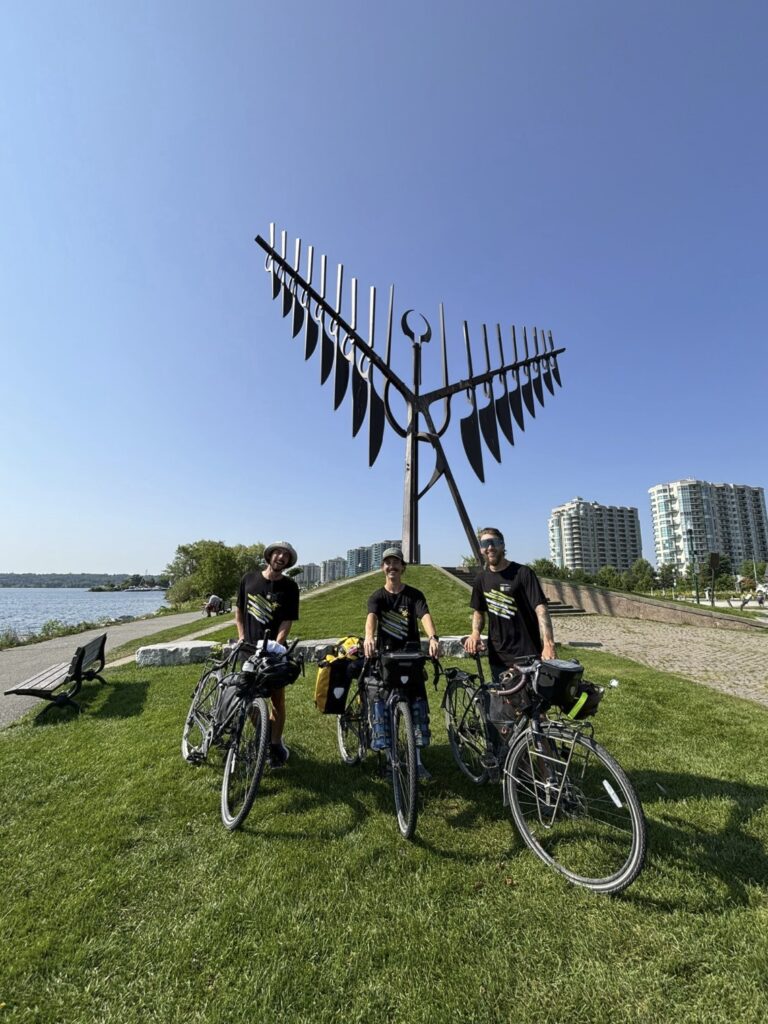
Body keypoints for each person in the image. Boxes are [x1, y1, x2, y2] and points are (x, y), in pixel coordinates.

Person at [364, 547, 440, 780]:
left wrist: (433, 637)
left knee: (416, 709)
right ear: (382, 568)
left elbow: (424, 616)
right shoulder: (377, 596)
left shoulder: (414, 595)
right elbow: (372, 618)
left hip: (411, 658)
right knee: (383, 710)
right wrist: (369, 637)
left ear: (403, 567)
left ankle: (416, 762)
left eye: (396, 562)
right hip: (386, 659)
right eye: (388, 563)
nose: (392, 567)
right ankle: (390, 761)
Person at [235, 541, 300, 767]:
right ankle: (264, 733)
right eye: (278, 553)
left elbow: (287, 620)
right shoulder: (249, 580)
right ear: (270, 556)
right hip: (247, 651)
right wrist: (242, 635)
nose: (281, 557)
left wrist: (275, 645)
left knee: (277, 700)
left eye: (286, 556)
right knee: (248, 699)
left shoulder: (290, 587)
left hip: (273, 654)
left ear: (288, 562)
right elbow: (239, 610)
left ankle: (274, 743)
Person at [464, 527, 557, 682]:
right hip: (499, 658)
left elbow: (541, 609)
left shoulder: (523, 573)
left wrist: (548, 644)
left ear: (502, 545)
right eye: (485, 543)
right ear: (481, 549)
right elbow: (479, 612)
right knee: (503, 703)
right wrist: (475, 633)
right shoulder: (481, 580)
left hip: (527, 655)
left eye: (494, 542)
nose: (490, 547)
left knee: (530, 704)